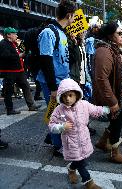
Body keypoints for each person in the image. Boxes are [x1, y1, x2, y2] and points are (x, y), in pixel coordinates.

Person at [48, 78, 109, 189]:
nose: (67, 99)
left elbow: (95, 110)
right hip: (71, 142)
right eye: (64, 96)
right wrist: (61, 127)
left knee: (80, 159)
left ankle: (71, 169)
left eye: (70, 95)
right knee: (80, 162)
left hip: (84, 139)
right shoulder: (59, 110)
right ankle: (88, 182)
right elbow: (51, 125)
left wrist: (106, 110)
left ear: (76, 94)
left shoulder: (84, 104)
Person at [37, 0, 77, 156]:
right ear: (69, 15)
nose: (74, 19)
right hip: (52, 83)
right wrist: (53, 87)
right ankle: (57, 145)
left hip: (62, 81)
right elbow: (46, 61)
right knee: (57, 116)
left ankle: (53, 137)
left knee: (63, 113)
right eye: (73, 16)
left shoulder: (62, 33)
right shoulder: (49, 32)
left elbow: (64, 58)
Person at [93, 22, 122, 164]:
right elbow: (101, 79)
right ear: (110, 36)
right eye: (119, 34)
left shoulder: (112, 49)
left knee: (119, 120)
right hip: (112, 98)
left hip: (117, 95)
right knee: (117, 121)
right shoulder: (104, 51)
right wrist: (113, 101)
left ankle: (103, 142)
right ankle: (113, 152)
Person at [0, 27, 41, 115]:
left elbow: (22, 52)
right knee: (9, 91)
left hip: (19, 70)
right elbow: (5, 56)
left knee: (26, 86)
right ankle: (9, 109)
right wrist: (19, 56)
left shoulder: (15, 43)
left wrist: (24, 52)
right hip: (9, 71)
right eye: (14, 33)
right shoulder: (3, 44)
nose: (16, 35)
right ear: (8, 35)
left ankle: (31, 105)